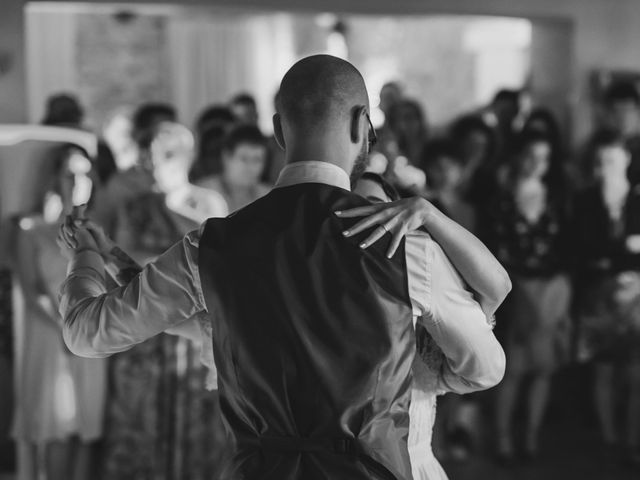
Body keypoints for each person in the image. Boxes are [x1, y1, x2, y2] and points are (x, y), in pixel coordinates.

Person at [57, 55, 508, 479]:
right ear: (360, 124)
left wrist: (86, 256)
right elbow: (485, 368)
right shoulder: (405, 248)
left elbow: (86, 332)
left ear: (277, 130)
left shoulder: (210, 246)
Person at [351, 172, 506, 479]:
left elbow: (498, 288)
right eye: (351, 205)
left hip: (414, 465)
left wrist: (429, 213)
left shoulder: (419, 272)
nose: (363, 217)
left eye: (374, 206)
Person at [101, 121, 227, 480]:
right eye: (150, 156)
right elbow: (122, 260)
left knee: (197, 430)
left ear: (183, 157)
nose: (153, 164)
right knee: (142, 424)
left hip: (192, 335)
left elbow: (217, 263)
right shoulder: (136, 207)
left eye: (163, 156)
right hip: (146, 329)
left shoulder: (207, 202)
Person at [12, 145, 107, 480]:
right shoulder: (31, 228)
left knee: (87, 429)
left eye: (85, 173)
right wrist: (66, 331)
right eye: (70, 173)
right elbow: (30, 291)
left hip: (95, 333)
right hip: (53, 337)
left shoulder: (100, 229)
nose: (79, 181)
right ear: (54, 177)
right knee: (57, 428)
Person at [487, 130, 572, 463]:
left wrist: (560, 286)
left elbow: (567, 244)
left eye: (545, 158)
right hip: (515, 290)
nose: (538, 164)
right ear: (518, 156)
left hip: (551, 289)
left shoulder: (556, 197)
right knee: (515, 369)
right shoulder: (501, 199)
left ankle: (532, 438)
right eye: (532, 156)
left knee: (543, 368)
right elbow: (492, 250)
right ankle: (504, 439)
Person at [573, 129, 640, 464]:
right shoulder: (586, 199)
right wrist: (624, 248)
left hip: (635, 295)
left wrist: (616, 254)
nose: (606, 167)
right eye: (600, 161)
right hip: (597, 293)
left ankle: (631, 439)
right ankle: (610, 439)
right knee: (603, 368)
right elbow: (584, 250)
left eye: (612, 159)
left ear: (627, 159)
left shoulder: (637, 198)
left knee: (634, 370)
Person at [196, 125, 271, 214]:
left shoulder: (269, 197)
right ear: (226, 157)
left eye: (257, 160)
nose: (250, 167)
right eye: (244, 159)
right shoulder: (201, 194)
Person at [601, 81, 640, 185]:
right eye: (617, 111)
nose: (623, 117)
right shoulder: (597, 146)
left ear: (637, 111)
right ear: (608, 113)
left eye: (628, 110)